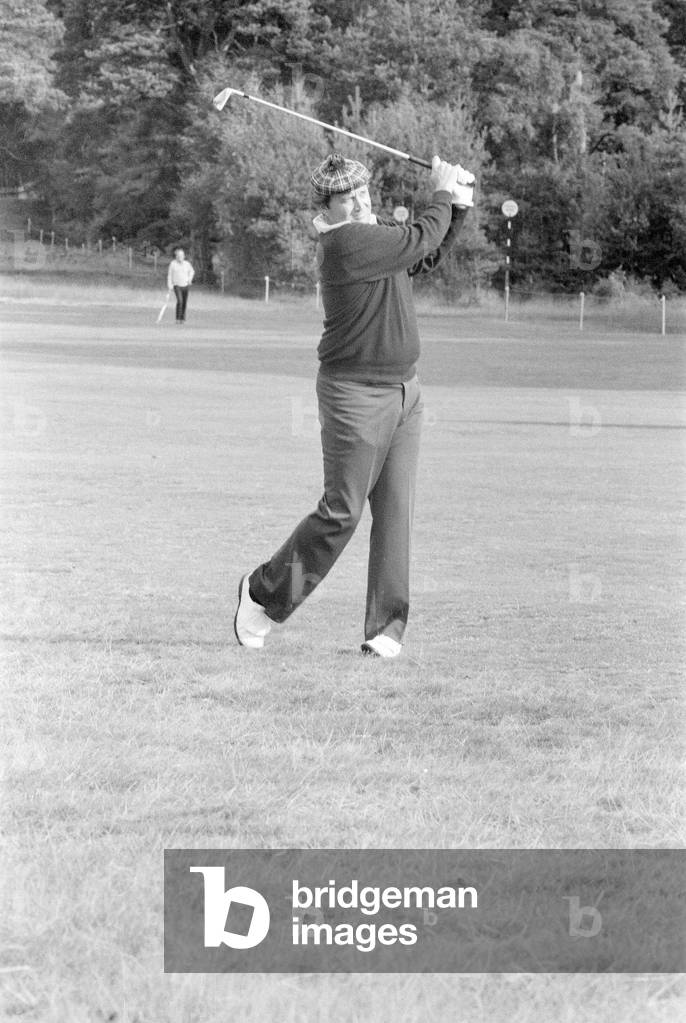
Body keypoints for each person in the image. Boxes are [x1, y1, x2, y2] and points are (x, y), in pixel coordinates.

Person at [234, 151, 474, 657]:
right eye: (347, 198)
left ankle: (386, 628)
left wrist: (460, 206)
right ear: (326, 209)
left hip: (406, 392)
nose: (360, 203)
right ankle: (262, 594)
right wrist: (442, 192)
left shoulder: (374, 233)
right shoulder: (345, 243)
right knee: (341, 511)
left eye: (363, 193)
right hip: (354, 395)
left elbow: (424, 257)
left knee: (395, 512)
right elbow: (419, 238)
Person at [166, 246, 195, 323]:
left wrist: (190, 279)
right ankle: (178, 319)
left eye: (181, 256)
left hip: (185, 285)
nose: (180, 257)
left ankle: (182, 318)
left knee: (184, 302)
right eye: (178, 256)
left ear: (184, 256)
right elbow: (169, 275)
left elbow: (192, 272)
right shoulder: (173, 264)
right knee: (180, 301)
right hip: (177, 285)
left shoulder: (187, 264)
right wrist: (170, 285)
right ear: (176, 256)